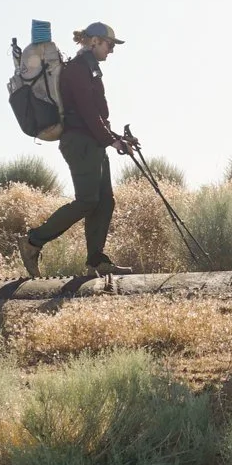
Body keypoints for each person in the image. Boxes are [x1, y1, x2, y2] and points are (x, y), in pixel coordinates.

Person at [20, 22, 140, 279]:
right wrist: (112, 141)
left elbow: (96, 116)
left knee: (105, 201)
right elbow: (86, 111)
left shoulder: (90, 69)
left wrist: (117, 138)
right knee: (87, 201)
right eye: (109, 45)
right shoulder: (77, 69)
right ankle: (33, 242)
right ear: (94, 41)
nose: (111, 50)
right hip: (80, 143)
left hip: (93, 142)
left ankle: (96, 260)